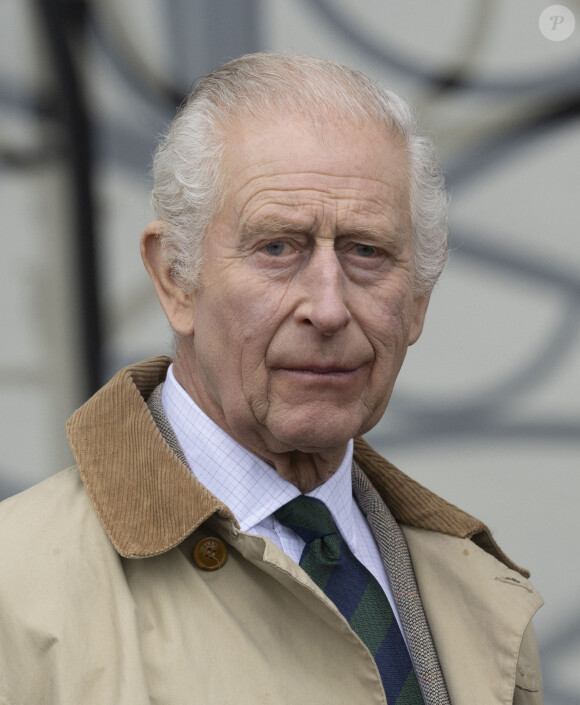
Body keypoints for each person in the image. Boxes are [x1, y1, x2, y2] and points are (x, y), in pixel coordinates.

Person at [0, 53, 542, 704]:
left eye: (366, 251)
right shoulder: (18, 592)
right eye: (278, 247)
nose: (329, 306)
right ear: (175, 277)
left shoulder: (476, 591)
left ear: (419, 300)